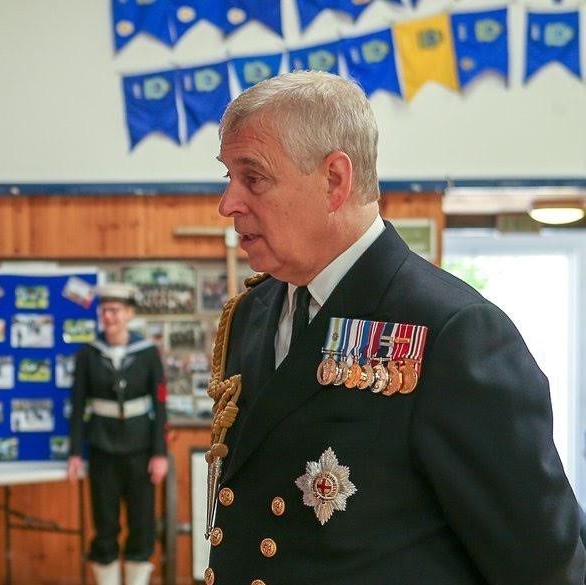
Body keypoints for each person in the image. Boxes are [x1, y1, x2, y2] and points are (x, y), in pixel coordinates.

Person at [203, 70, 586, 585]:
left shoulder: (454, 331)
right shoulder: (250, 314)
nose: (228, 203)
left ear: (335, 180)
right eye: (227, 177)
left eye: (253, 177)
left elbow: (542, 567)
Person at [68, 283, 169, 585]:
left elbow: (160, 405)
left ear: (129, 314)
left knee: (142, 524)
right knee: (105, 524)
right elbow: (77, 406)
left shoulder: (148, 353)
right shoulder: (88, 354)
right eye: (104, 310)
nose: (108, 316)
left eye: (115, 311)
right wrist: (74, 452)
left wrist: (160, 453)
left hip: (141, 450)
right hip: (103, 449)